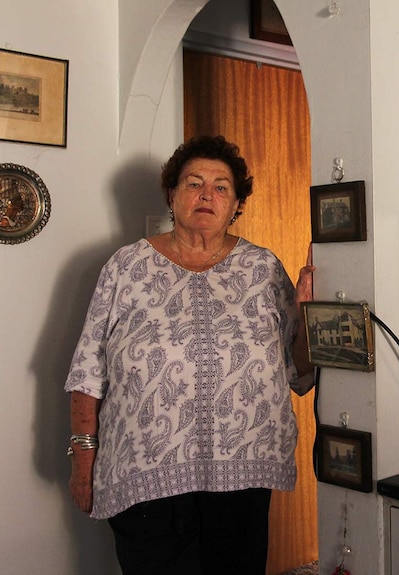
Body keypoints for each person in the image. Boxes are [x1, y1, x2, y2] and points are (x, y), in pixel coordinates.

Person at [65, 135, 316, 575]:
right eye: (193, 183)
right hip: (144, 480)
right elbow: (88, 371)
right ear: (172, 194)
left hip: (242, 481)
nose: (207, 194)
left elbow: (298, 371)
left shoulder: (263, 269)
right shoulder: (126, 268)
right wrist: (83, 461)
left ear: (237, 203)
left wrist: (308, 314)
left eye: (221, 186)